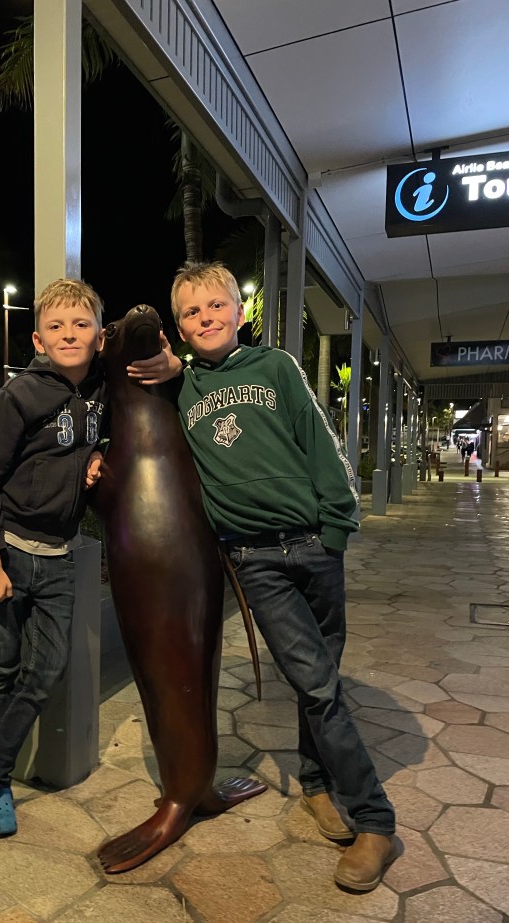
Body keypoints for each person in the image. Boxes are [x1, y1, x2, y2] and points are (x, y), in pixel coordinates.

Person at [161, 260, 397, 891]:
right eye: (191, 312)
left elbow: (319, 443)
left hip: (315, 547)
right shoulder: (180, 390)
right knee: (316, 684)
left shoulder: (277, 368)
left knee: (320, 682)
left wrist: (337, 527)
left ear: (240, 312)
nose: (206, 317)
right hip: (255, 560)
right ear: (179, 328)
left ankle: (317, 785)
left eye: (216, 305)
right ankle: (376, 821)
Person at [0, 278, 179, 846]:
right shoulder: (19, 395)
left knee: (44, 671)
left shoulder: (103, 388)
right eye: (56, 326)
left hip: (59, 559)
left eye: (80, 325)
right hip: (8, 553)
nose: (68, 334)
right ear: (38, 339)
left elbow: (151, 377)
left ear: (99, 337)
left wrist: (100, 450)